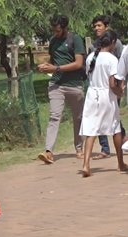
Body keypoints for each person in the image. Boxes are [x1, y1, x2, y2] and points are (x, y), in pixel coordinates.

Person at [37, 15, 86, 164]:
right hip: (56, 84)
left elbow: (78, 63)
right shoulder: (53, 41)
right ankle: (49, 151)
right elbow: (53, 61)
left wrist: (56, 68)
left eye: (58, 30)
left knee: (78, 118)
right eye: (53, 30)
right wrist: (46, 67)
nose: (55, 33)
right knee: (54, 116)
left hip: (74, 85)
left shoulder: (75, 39)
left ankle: (79, 148)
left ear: (64, 28)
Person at [80, 31, 126, 177]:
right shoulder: (112, 59)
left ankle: (86, 164)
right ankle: (120, 163)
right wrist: (120, 92)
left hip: (92, 94)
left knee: (91, 129)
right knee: (115, 127)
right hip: (107, 96)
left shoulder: (90, 57)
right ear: (112, 42)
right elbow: (112, 83)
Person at [88, 15, 125, 160]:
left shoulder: (117, 44)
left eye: (99, 25)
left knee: (113, 118)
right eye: (95, 26)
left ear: (106, 26)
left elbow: (122, 64)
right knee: (100, 117)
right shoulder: (93, 46)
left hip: (114, 86)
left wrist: (120, 86)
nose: (96, 28)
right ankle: (105, 148)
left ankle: (123, 142)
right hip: (98, 87)